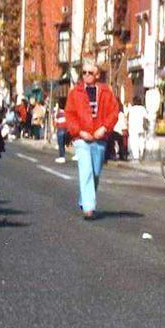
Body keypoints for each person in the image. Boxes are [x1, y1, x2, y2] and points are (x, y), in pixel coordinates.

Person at [63, 60, 120, 220]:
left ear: (97, 75)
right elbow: (70, 115)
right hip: (82, 138)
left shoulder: (105, 92)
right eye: (84, 73)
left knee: (95, 172)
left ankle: (84, 199)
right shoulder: (75, 93)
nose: (86, 76)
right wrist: (79, 132)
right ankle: (89, 207)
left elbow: (113, 112)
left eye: (90, 73)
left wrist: (104, 128)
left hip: (99, 138)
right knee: (86, 170)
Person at [126, 97, 148, 162]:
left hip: (133, 128)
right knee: (141, 140)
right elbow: (146, 118)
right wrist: (146, 126)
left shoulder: (131, 109)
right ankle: (141, 152)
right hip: (141, 127)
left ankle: (136, 156)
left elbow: (127, 117)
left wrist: (127, 125)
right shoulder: (143, 108)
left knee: (134, 142)